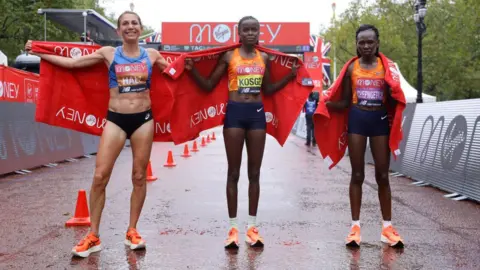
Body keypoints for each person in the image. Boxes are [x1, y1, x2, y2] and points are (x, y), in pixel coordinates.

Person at [25, 11, 169, 258]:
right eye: (125, 24)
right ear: (119, 30)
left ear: (141, 28)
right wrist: (38, 51)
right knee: (100, 175)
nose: (130, 27)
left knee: (138, 176)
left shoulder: (153, 55)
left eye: (134, 23)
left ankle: (132, 231)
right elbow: (71, 63)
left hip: (144, 120)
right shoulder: (108, 53)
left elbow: (178, 73)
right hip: (116, 119)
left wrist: (196, 65)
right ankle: (93, 235)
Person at [184, 16, 297, 249]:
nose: (250, 34)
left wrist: (289, 77)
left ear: (259, 33)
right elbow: (207, 85)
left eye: (254, 30)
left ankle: (252, 228)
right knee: (233, 173)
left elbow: (269, 89)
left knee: (254, 174)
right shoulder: (229, 56)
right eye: (246, 30)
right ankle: (233, 228)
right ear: (239, 32)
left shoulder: (263, 57)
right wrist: (192, 71)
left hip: (256, 115)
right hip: (235, 114)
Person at [325, 24, 404, 248]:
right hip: (357, 120)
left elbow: (393, 101)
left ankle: (387, 228)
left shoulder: (388, 68)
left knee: (382, 176)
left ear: (377, 44)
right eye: (362, 42)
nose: (366, 46)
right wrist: (326, 104)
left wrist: (394, 98)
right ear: (356, 45)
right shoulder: (351, 69)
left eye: (370, 42)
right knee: (357, 174)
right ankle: (355, 228)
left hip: (379, 121)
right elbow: (344, 101)